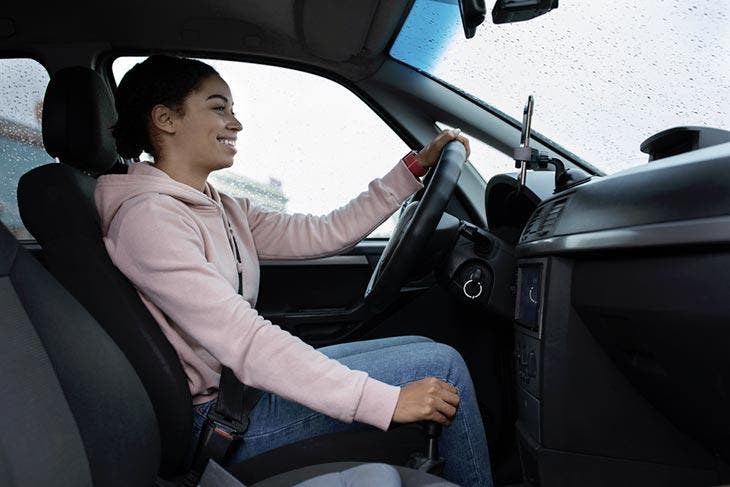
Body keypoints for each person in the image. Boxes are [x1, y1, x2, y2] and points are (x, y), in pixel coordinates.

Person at [95, 55, 492, 486]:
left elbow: (325, 232)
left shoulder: (221, 206)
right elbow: (243, 339)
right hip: (217, 419)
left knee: (423, 348)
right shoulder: (149, 219)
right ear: (166, 118)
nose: (236, 123)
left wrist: (411, 169)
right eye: (217, 107)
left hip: (238, 391)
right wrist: (383, 401)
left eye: (232, 109)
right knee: (441, 366)